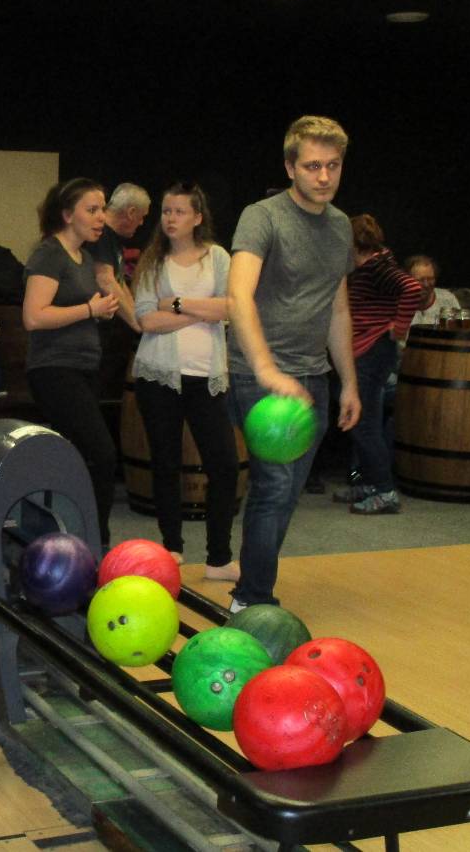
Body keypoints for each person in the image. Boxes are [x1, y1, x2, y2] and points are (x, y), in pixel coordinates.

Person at [226, 115, 361, 612]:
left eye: (333, 166)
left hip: (312, 377)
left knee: (286, 491)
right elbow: (238, 296)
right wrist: (266, 369)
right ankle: (251, 600)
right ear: (290, 167)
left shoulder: (341, 226)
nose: (324, 177)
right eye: (312, 166)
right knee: (275, 485)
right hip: (258, 375)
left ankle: (252, 586)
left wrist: (349, 382)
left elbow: (338, 308)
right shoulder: (262, 217)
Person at [132, 183, 238, 579]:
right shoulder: (153, 261)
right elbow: (147, 319)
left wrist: (177, 304)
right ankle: (172, 548)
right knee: (166, 463)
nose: (170, 218)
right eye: (166, 211)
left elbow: (231, 307)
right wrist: (202, 312)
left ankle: (219, 558)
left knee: (224, 465)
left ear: (197, 217)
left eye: (179, 211)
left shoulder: (218, 257)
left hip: (206, 378)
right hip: (158, 376)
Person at [23, 178, 120, 548]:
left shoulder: (86, 258)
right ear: (67, 215)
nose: (101, 218)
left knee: (81, 456)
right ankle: (96, 542)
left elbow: (79, 310)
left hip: (83, 369)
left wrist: (101, 311)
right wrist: (89, 310)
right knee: (102, 454)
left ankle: (72, 537)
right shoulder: (50, 254)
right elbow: (34, 317)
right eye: (91, 210)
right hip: (54, 369)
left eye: (102, 209)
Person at [335, 215, 422, 514]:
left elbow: (412, 288)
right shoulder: (366, 268)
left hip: (373, 351)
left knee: (364, 424)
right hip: (365, 350)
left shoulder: (377, 267)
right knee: (361, 421)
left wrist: (399, 327)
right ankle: (371, 482)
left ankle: (385, 491)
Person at [86, 181, 148, 331]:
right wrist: (139, 326)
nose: (141, 223)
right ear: (131, 212)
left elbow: (119, 282)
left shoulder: (114, 238)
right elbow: (105, 280)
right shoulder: (101, 234)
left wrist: (140, 318)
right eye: (141, 217)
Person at [404, 255, 460, 328]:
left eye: (430, 279)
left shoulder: (448, 299)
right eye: (420, 280)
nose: (426, 284)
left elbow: (459, 330)